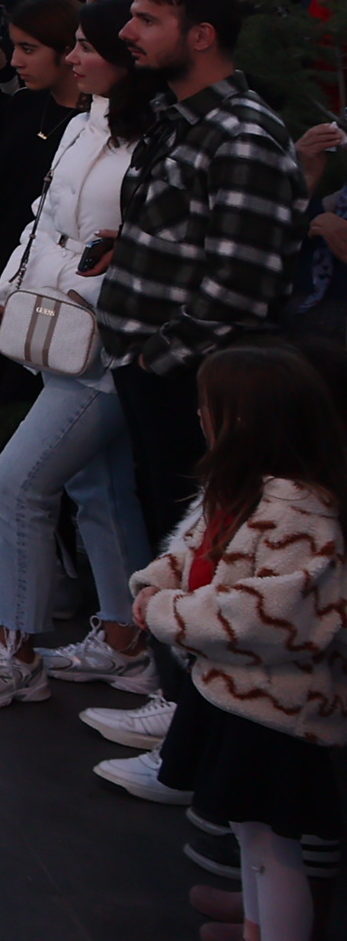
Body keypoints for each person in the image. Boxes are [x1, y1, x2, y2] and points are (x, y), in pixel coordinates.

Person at [0, 0, 151, 711]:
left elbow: (135, 240)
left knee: (18, 484)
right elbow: (44, 216)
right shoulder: (82, 125)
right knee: (100, 490)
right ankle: (125, 642)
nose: (74, 58)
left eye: (89, 47)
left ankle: (15, 650)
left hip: (104, 343)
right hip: (55, 332)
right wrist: (13, 283)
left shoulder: (154, 141)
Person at [126, 344, 347, 930]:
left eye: (209, 407)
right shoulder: (240, 486)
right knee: (253, 835)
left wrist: (166, 611)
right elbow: (191, 550)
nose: (199, 416)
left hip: (275, 708)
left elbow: (261, 614)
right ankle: (257, 921)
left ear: (244, 421)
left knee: (274, 845)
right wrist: (154, 584)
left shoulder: (299, 510)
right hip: (232, 692)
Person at [100, 0, 309, 549]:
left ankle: (166, 644)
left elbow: (240, 290)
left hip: (192, 382)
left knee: (187, 545)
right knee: (158, 530)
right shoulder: (182, 118)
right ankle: (141, 641)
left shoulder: (241, 137)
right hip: (154, 369)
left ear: (201, 35)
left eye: (147, 19)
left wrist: (154, 357)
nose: (127, 31)